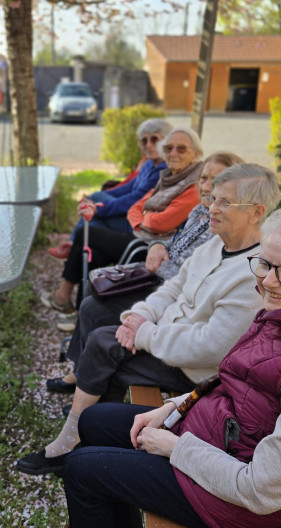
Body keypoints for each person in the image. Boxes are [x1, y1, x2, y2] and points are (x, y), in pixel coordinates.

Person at [61, 203, 281, 528]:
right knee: (94, 420)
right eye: (265, 263)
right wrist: (174, 407)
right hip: (222, 439)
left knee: (81, 469)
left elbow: (262, 491)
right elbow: (235, 378)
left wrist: (177, 448)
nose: (268, 281)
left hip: (239, 503)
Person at [18, 163, 281, 475]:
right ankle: (91, 441)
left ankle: (73, 442)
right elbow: (173, 288)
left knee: (104, 344)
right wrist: (139, 316)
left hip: (196, 371)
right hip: (169, 344)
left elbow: (211, 347)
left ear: (256, 212)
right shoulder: (218, 244)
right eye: (212, 198)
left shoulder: (254, 273)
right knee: (108, 344)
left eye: (225, 202)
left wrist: (144, 334)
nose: (210, 208)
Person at [47, 151, 244, 391]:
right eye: (203, 179)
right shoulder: (198, 211)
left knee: (93, 307)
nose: (206, 186)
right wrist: (158, 244)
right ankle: (83, 372)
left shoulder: (220, 224)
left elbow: (188, 271)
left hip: (169, 292)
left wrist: (150, 231)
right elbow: (154, 222)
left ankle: (84, 376)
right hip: (156, 272)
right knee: (93, 283)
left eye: (216, 181)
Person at [40, 127, 203, 314]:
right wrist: (141, 220)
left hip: (151, 249)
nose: (173, 153)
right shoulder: (167, 177)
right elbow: (136, 208)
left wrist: (145, 218)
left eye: (181, 149)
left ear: (196, 154)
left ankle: (63, 296)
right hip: (138, 235)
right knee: (93, 253)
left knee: (88, 232)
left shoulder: (193, 185)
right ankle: (79, 313)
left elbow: (160, 223)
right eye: (168, 148)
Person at [48, 119, 171, 259]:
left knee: (96, 203)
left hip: (136, 224)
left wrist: (99, 207)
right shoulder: (149, 164)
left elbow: (134, 198)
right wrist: (100, 198)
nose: (148, 145)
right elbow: (128, 187)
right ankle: (74, 249)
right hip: (127, 216)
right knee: (92, 221)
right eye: (144, 141)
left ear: (167, 141)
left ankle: (72, 244)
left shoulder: (164, 170)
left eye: (154, 140)